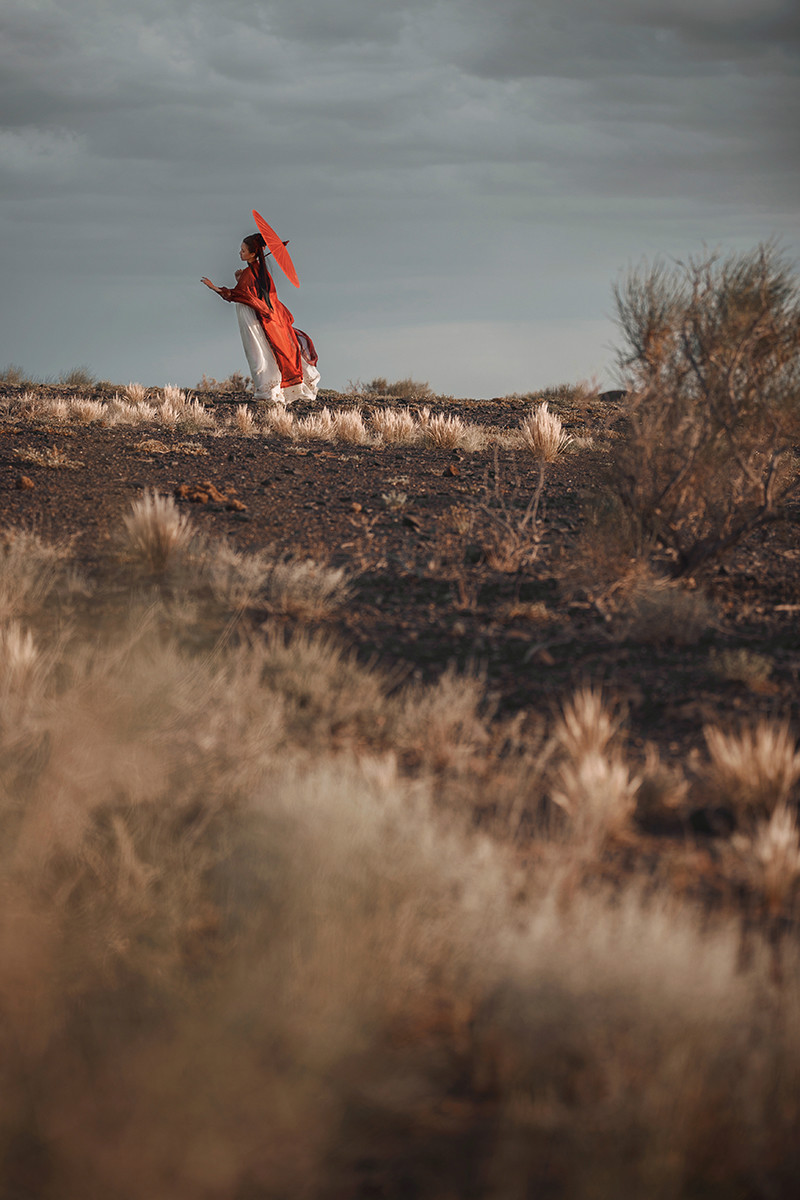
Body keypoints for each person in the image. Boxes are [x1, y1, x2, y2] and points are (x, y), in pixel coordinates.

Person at [201, 233, 319, 404]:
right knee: (265, 351)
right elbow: (255, 293)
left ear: (252, 253)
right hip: (262, 316)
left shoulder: (251, 272)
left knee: (257, 351)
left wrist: (215, 288)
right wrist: (240, 279)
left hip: (252, 316)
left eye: (243, 250)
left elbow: (242, 295)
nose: (239, 253)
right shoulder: (259, 271)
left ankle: (267, 390)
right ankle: (272, 389)